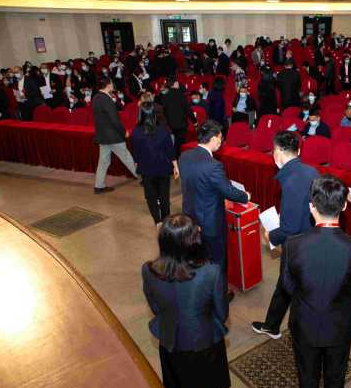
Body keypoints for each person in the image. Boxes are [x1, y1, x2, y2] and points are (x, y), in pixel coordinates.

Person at [282, 175, 351, 388]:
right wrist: (340, 295)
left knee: (307, 379)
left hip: (304, 325)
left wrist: (306, 295)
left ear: (312, 206)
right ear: (344, 206)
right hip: (339, 326)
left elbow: (287, 284)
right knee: (335, 378)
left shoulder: (293, 244)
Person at [142, 214, 230, 388]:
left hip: (172, 341)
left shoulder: (148, 270)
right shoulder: (211, 272)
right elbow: (221, 313)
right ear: (192, 242)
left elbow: (155, 307)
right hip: (205, 341)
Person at [251, 132, 320, 339]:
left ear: (278, 151)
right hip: (313, 236)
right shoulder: (311, 170)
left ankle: (287, 328)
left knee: (289, 285)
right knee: (290, 285)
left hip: (297, 244)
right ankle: (272, 325)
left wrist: (270, 235)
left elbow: (290, 228)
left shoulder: (291, 181)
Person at [179, 120, 251, 301]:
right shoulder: (213, 165)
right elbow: (228, 191)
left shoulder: (185, 156)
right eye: (220, 138)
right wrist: (245, 196)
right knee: (218, 260)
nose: (221, 142)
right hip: (210, 222)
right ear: (212, 139)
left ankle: (200, 289)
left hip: (190, 217)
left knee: (197, 257)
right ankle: (220, 294)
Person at [131, 101, 179, 226]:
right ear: (154, 113)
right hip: (163, 167)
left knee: (151, 197)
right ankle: (166, 221)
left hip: (146, 168)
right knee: (164, 197)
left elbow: (135, 151)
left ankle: (157, 222)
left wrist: (136, 163)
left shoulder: (136, 131)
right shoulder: (163, 130)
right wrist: (175, 166)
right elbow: (170, 150)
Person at [92, 77, 137, 194]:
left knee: (103, 162)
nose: (113, 85)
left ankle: (99, 186)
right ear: (108, 85)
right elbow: (115, 120)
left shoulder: (96, 97)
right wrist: (124, 131)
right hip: (113, 136)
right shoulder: (106, 99)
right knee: (127, 158)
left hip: (102, 136)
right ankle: (144, 178)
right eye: (112, 83)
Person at [161, 76, 195, 159]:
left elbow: (164, 111)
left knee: (174, 142)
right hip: (181, 124)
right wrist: (194, 121)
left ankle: (173, 158)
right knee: (180, 144)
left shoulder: (165, 96)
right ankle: (179, 159)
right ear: (175, 83)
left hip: (170, 124)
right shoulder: (181, 95)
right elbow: (187, 110)